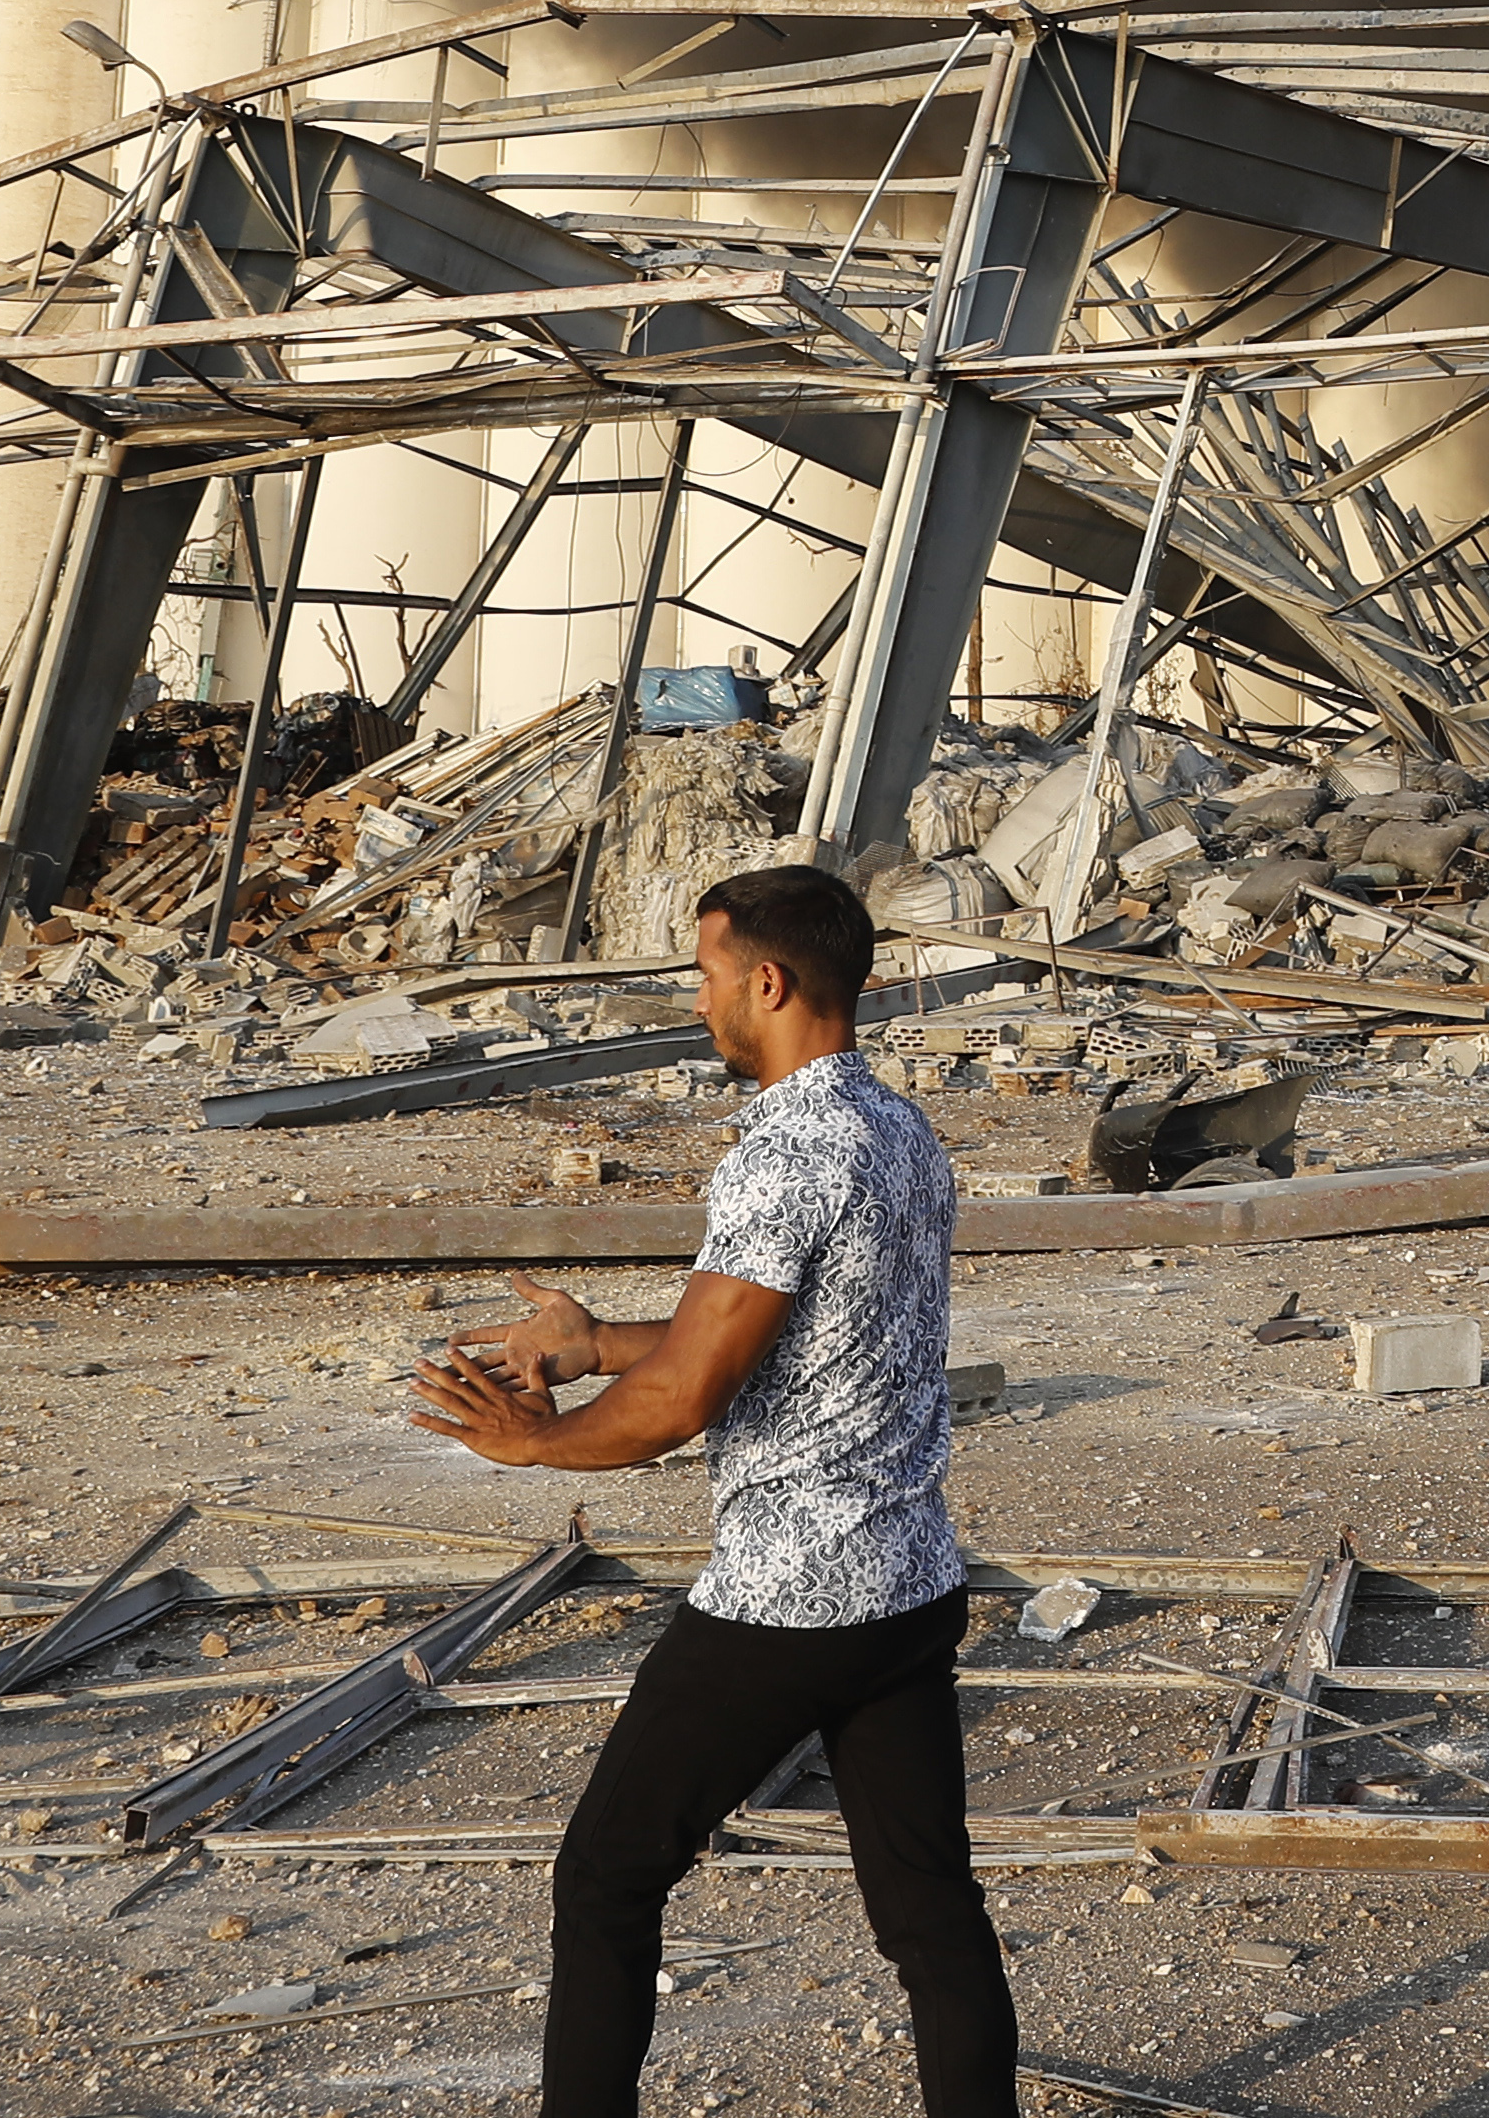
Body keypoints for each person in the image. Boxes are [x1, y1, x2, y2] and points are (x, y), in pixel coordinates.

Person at [407, 863, 1016, 2118]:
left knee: (607, 1878)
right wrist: (591, 1348)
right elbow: (770, 1339)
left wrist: (537, 1442)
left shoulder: (783, 1155)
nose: (700, 1003)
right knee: (926, 1911)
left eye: (705, 975)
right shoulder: (901, 1133)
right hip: (908, 1582)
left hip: (787, 1602)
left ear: (769, 981)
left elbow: (686, 1400)